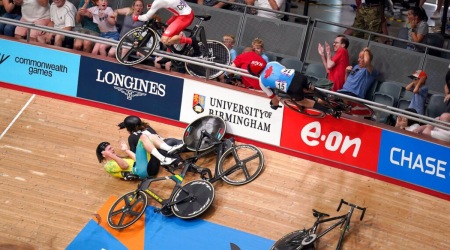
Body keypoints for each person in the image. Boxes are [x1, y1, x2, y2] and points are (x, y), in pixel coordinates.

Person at [248, 57, 339, 117]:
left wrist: (275, 106)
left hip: (292, 87)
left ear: (254, 73)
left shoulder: (261, 81)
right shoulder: (272, 63)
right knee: (311, 88)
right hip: (297, 75)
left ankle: (328, 110)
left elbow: (274, 98)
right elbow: (283, 69)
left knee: (304, 102)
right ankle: (325, 96)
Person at [133, 0, 200, 55]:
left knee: (164, 39)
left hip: (184, 16)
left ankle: (191, 41)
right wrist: (153, 6)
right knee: (166, 27)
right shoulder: (158, 2)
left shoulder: (158, 2)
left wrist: (136, 17)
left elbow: (146, 17)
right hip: (182, 13)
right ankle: (168, 55)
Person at [117, 115, 185, 166]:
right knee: (185, 145)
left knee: (179, 163)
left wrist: (123, 155)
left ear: (128, 128)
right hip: (169, 141)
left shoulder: (131, 137)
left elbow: (134, 154)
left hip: (161, 150)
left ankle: (182, 164)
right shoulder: (146, 126)